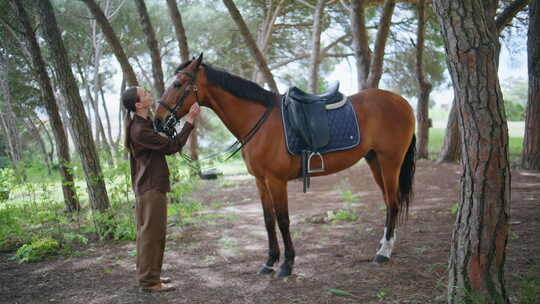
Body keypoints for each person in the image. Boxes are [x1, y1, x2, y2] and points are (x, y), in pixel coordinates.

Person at [121, 86, 200, 292]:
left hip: (150, 186)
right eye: (144, 93)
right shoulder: (140, 130)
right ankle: (148, 282)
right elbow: (172, 147)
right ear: (139, 105)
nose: (148, 93)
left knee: (151, 234)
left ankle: (150, 276)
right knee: (151, 236)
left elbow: (164, 142)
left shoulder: (144, 124)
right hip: (151, 187)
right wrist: (190, 121)